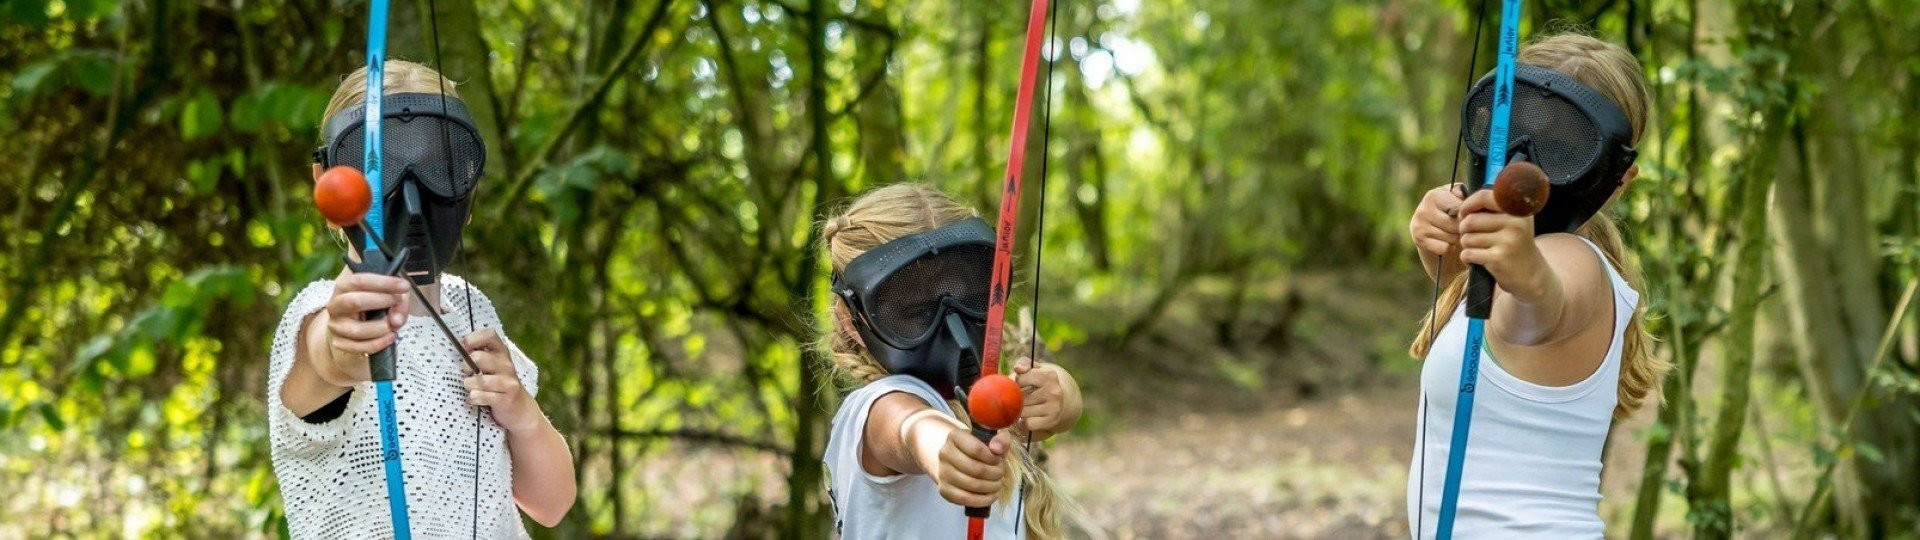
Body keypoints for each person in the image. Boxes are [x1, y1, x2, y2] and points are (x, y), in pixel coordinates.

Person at [267, 60, 575, 538]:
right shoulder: (319, 315)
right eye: (382, 168)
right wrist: (350, 337)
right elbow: (335, 354)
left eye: (439, 167)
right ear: (328, 180)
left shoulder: (473, 310)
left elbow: (552, 505)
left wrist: (523, 416)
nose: (413, 195)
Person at [1404, 33, 1669, 538]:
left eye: (1564, 148)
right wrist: (1441, 244)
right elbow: (1490, 323)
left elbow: (1533, 313)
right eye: (1516, 130)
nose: (1523, 162)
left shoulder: (1576, 265)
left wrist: (1526, 276)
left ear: (1618, 179)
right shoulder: (1529, 265)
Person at [818, 184, 1086, 538]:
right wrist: (941, 449)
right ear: (852, 321)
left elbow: (1050, 413)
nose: (953, 327)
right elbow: (908, 428)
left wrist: (1060, 392)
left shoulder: (975, 404)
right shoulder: (873, 407)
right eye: (915, 311)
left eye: (967, 297)